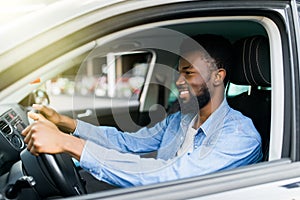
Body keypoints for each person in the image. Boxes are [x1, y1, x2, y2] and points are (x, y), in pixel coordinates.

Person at [22, 34, 263, 187]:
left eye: (188, 73)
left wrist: (68, 145)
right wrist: (66, 124)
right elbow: (129, 143)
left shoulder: (239, 135)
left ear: (217, 77)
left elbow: (172, 179)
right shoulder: (181, 119)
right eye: (179, 72)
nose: (178, 81)